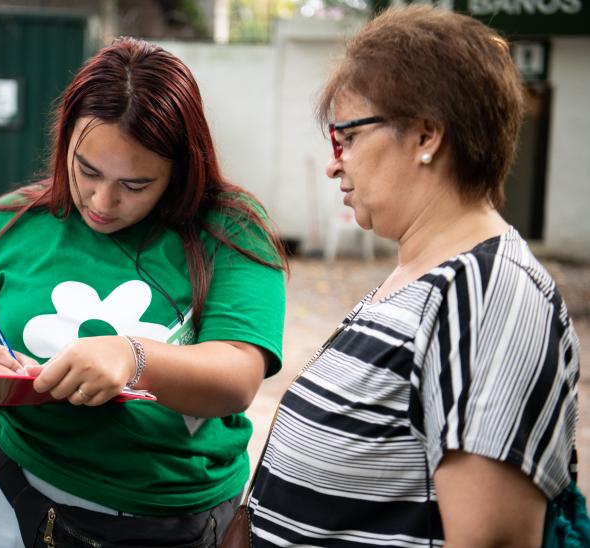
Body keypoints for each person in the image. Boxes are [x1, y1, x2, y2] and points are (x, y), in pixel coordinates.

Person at [0, 37, 287, 547]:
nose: (103, 200)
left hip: (164, 523)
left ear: (182, 168)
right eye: (87, 170)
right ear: (64, 139)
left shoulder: (232, 233)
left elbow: (237, 379)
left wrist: (133, 357)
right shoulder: (8, 224)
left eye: (135, 184)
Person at [248, 6, 580, 547]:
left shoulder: (490, 293)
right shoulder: (426, 274)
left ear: (426, 135)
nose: (334, 164)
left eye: (346, 138)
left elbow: (490, 538)